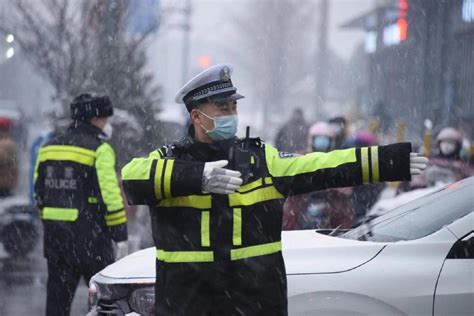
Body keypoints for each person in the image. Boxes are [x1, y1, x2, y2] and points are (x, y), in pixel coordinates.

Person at [121, 64, 428, 315]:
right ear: (196, 115)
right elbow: (132, 177)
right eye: (222, 107)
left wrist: (389, 161)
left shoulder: (259, 159)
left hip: (252, 305)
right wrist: (196, 177)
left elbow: (322, 167)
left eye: (232, 107)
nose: (231, 114)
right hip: (186, 306)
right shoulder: (167, 160)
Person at [34, 94, 129, 316]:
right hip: (92, 239)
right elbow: (110, 195)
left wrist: (52, 220)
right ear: (94, 119)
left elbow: (38, 192)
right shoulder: (100, 149)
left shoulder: (48, 147)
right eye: (105, 119)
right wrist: (120, 235)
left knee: (57, 302)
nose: (107, 125)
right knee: (105, 301)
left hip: (56, 238)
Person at [0, 117, 18, 198]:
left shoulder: (6, 143)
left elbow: (2, 158)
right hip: (7, 184)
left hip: (3, 185)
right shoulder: (9, 142)